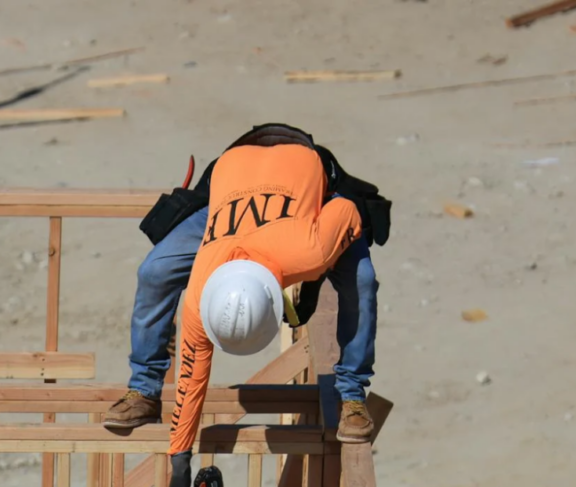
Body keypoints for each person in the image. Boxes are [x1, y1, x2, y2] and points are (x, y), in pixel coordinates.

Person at [103, 124, 389, 453]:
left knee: (361, 279)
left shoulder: (308, 251)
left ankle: (351, 395)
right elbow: (191, 377)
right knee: (154, 272)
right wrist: (178, 454)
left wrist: (322, 263)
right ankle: (144, 390)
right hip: (231, 188)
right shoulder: (203, 283)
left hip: (307, 191)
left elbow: (347, 210)